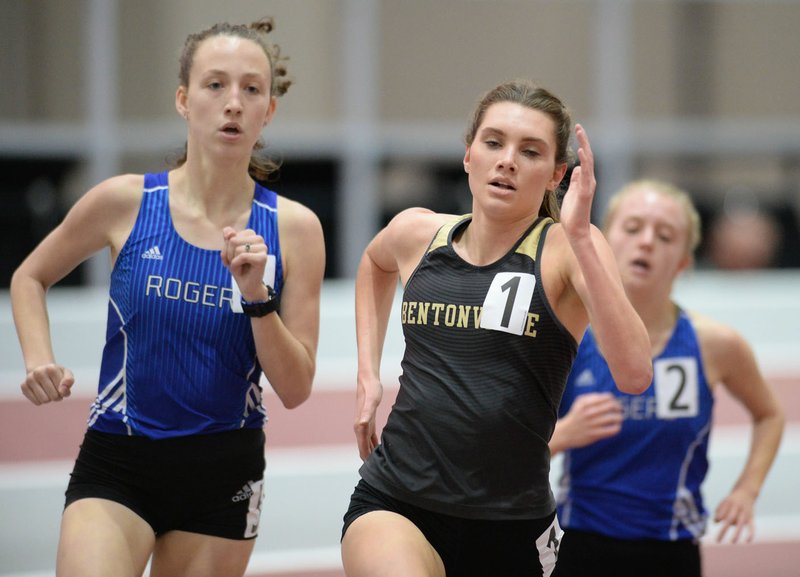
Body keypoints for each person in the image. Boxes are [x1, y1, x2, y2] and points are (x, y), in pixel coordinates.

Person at [10, 17, 325, 577]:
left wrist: (257, 297)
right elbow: (30, 277)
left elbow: (297, 387)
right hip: (118, 459)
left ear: (268, 111)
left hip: (222, 474)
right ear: (183, 99)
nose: (233, 103)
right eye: (215, 85)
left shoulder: (294, 229)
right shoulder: (124, 202)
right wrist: (38, 358)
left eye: (252, 89)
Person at [340, 79, 653, 577]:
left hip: (512, 522)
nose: (507, 160)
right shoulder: (418, 233)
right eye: (493, 143)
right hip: (397, 499)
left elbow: (635, 373)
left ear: (556, 174)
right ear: (468, 156)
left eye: (529, 152)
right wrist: (367, 375)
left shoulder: (566, 249)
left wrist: (580, 237)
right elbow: (373, 266)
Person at [549, 179, 785, 577]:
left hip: (671, 548)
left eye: (665, 235)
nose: (646, 243)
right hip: (579, 543)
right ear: (605, 243)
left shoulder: (714, 344)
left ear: (684, 261)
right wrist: (564, 434)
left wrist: (748, 489)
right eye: (633, 228)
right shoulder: (570, 336)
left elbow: (770, 414)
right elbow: (514, 448)